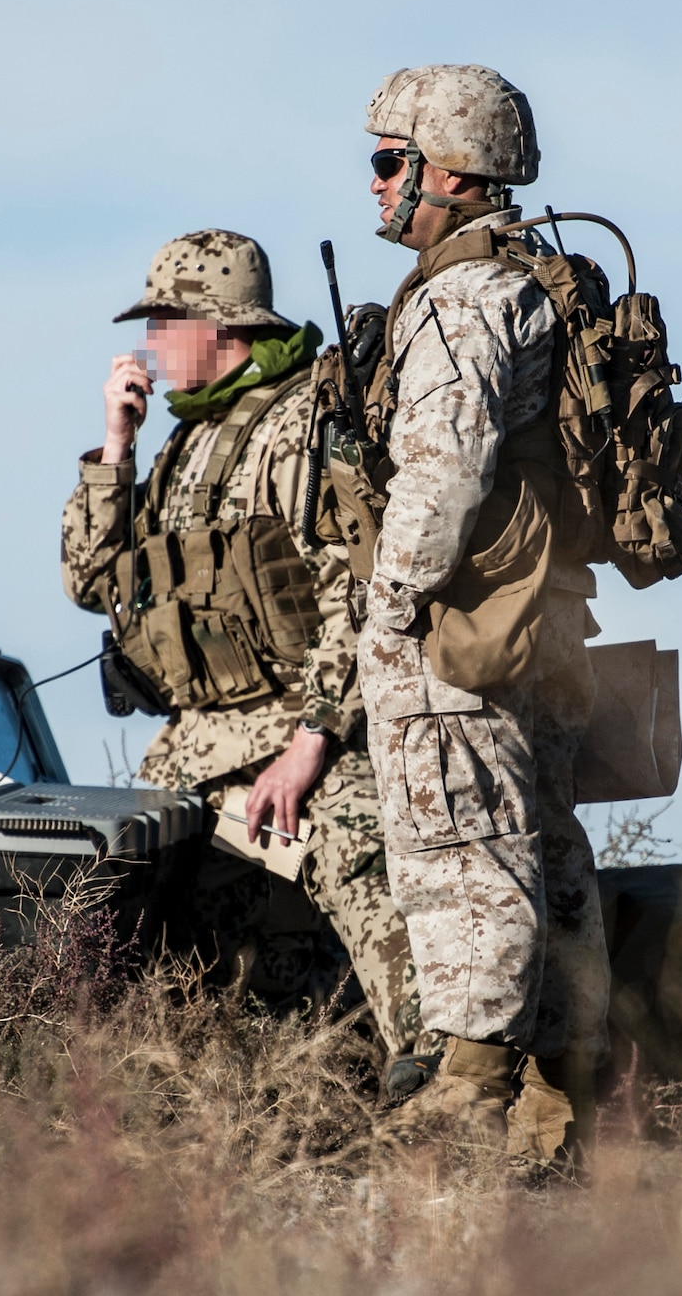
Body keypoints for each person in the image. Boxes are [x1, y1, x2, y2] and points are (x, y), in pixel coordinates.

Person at [61, 229, 435, 1083]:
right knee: (108, 898)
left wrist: (314, 744)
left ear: (217, 325)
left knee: (359, 843)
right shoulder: (180, 444)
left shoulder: (304, 422)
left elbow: (358, 591)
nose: (150, 343)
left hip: (298, 734)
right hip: (190, 752)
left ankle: (437, 1070)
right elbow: (91, 580)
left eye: (164, 321)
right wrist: (115, 449)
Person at [344, 66, 611, 1157]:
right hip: (537, 616)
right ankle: (556, 1118)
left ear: (447, 172)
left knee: (460, 845)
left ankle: (464, 1100)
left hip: (461, 625)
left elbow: (441, 474)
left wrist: (389, 602)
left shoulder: (462, 298)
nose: (371, 185)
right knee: (540, 847)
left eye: (386, 160)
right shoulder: (535, 282)